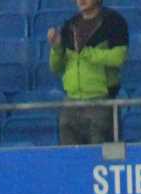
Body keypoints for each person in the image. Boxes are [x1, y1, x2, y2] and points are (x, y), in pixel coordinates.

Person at [49, 0, 130, 146]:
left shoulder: (113, 21)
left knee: (99, 154)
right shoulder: (69, 25)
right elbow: (56, 68)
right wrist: (56, 48)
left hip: (101, 101)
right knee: (69, 155)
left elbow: (118, 57)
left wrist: (86, 52)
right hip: (71, 103)